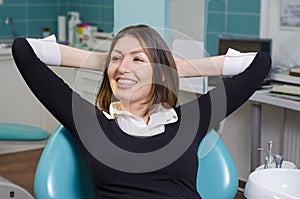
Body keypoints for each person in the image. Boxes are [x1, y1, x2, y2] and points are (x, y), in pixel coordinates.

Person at [12, 24, 271, 198]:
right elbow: (24, 50)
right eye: (117, 58)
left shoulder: (191, 119)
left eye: (138, 59)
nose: (124, 67)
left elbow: (260, 64)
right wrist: (104, 61)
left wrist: (180, 66)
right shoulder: (90, 123)